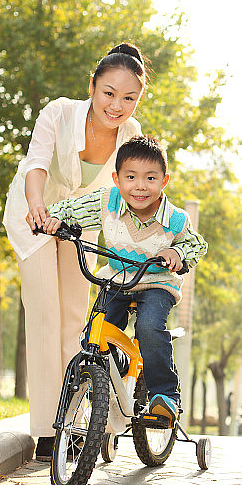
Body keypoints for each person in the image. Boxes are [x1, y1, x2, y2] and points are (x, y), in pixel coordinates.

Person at [3, 43, 148, 462]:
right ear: (92, 87)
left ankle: (78, 420)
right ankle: (47, 431)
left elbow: (131, 191)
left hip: (78, 225)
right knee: (45, 316)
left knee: (74, 323)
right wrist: (36, 206)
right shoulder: (60, 113)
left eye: (128, 98)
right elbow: (36, 164)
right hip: (34, 217)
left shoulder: (131, 134)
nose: (117, 106)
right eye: (109, 93)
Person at [42, 135, 207, 432]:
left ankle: (164, 395)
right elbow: (69, 209)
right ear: (117, 179)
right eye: (131, 177)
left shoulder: (175, 219)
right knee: (95, 333)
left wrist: (177, 253)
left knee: (149, 327)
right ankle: (108, 384)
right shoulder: (107, 202)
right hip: (117, 280)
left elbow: (197, 245)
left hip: (156, 283)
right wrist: (52, 220)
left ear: (164, 181)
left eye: (150, 178)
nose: (140, 186)